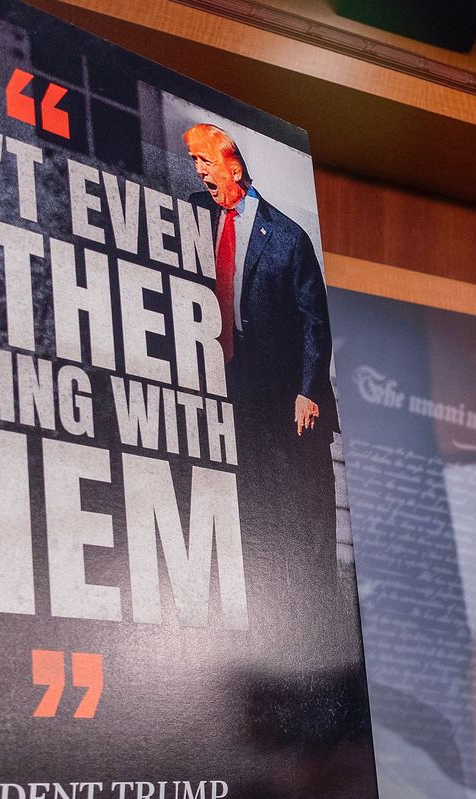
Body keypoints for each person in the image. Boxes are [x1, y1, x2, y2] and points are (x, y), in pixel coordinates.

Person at [182, 123, 340, 640]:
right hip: (234, 382)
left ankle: (317, 620)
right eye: (194, 163)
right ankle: (264, 619)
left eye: (205, 163)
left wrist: (309, 390)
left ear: (234, 167)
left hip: (288, 392)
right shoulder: (195, 219)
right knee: (252, 500)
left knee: (305, 502)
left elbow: (315, 321)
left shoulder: (288, 237)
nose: (199, 173)